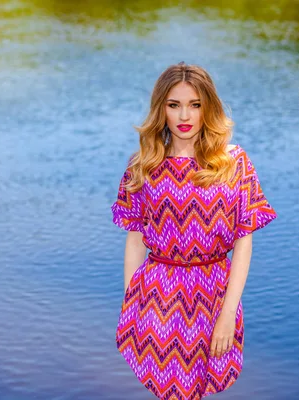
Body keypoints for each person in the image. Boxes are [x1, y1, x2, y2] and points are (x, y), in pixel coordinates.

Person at [111, 62, 277, 400]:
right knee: (169, 389)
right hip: (158, 292)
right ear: (162, 110)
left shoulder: (234, 163)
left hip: (214, 291)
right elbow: (135, 238)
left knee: (202, 385)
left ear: (208, 108)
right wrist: (132, 301)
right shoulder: (143, 164)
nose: (184, 115)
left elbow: (243, 244)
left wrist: (229, 312)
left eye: (195, 104)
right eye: (174, 105)